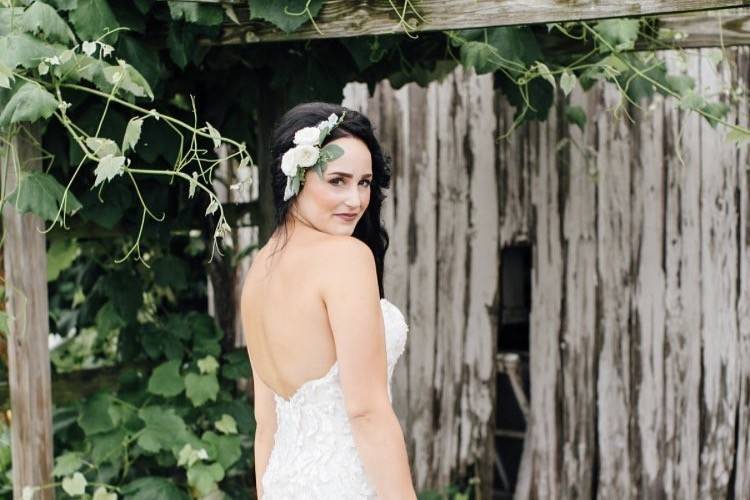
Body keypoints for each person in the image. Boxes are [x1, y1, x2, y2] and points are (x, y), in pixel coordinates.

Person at [240, 102, 417, 499]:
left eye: (365, 182)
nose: (355, 200)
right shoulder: (346, 258)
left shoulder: (259, 271)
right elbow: (366, 411)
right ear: (295, 178)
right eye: (337, 180)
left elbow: (265, 424)